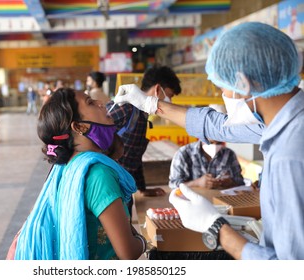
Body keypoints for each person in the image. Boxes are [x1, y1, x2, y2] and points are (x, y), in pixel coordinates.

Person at [114, 22, 304, 260]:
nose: (223, 96)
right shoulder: (280, 120)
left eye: (223, 88)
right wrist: (152, 104)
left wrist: (217, 228)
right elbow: (215, 125)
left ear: (243, 83)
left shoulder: (290, 154)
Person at [13, 88, 146, 260]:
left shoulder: (66, 167)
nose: (101, 104)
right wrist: (144, 240)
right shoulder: (99, 174)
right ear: (79, 126)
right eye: (90, 102)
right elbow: (128, 253)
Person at [106, 65, 182, 217]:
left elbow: (134, 156)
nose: (170, 101)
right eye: (169, 95)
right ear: (158, 89)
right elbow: (95, 134)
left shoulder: (142, 116)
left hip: (122, 190)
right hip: (109, 190)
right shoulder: (125, 108)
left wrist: (143, 188)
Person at [169, 138, 245, 190]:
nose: (214, 146)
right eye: (211, 143)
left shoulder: (229, 154)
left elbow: (240, 182)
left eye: (218, 143)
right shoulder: (184, 153)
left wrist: (230, 183)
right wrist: (197, 183)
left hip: (220, 202)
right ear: (201, 137)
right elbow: (173, 185)